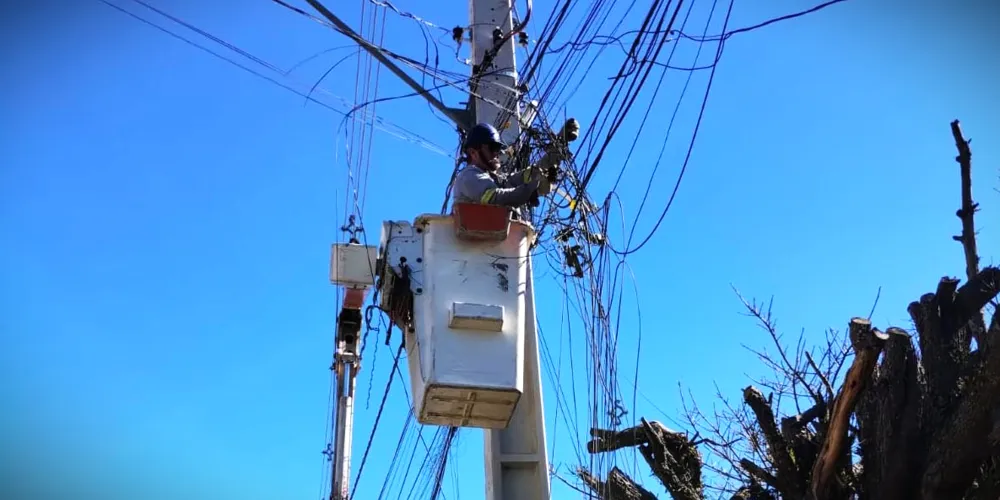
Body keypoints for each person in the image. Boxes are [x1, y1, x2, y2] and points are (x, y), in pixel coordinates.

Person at [451, 123, 560, 210]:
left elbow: (523, 177)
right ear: (473, 152)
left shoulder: (494, 180)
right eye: (493, 147)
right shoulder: (468, 176)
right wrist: (532, 188)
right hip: (473, 235)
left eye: (498, 148)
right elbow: (497, 198)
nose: (497, 153)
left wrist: (558, 147)